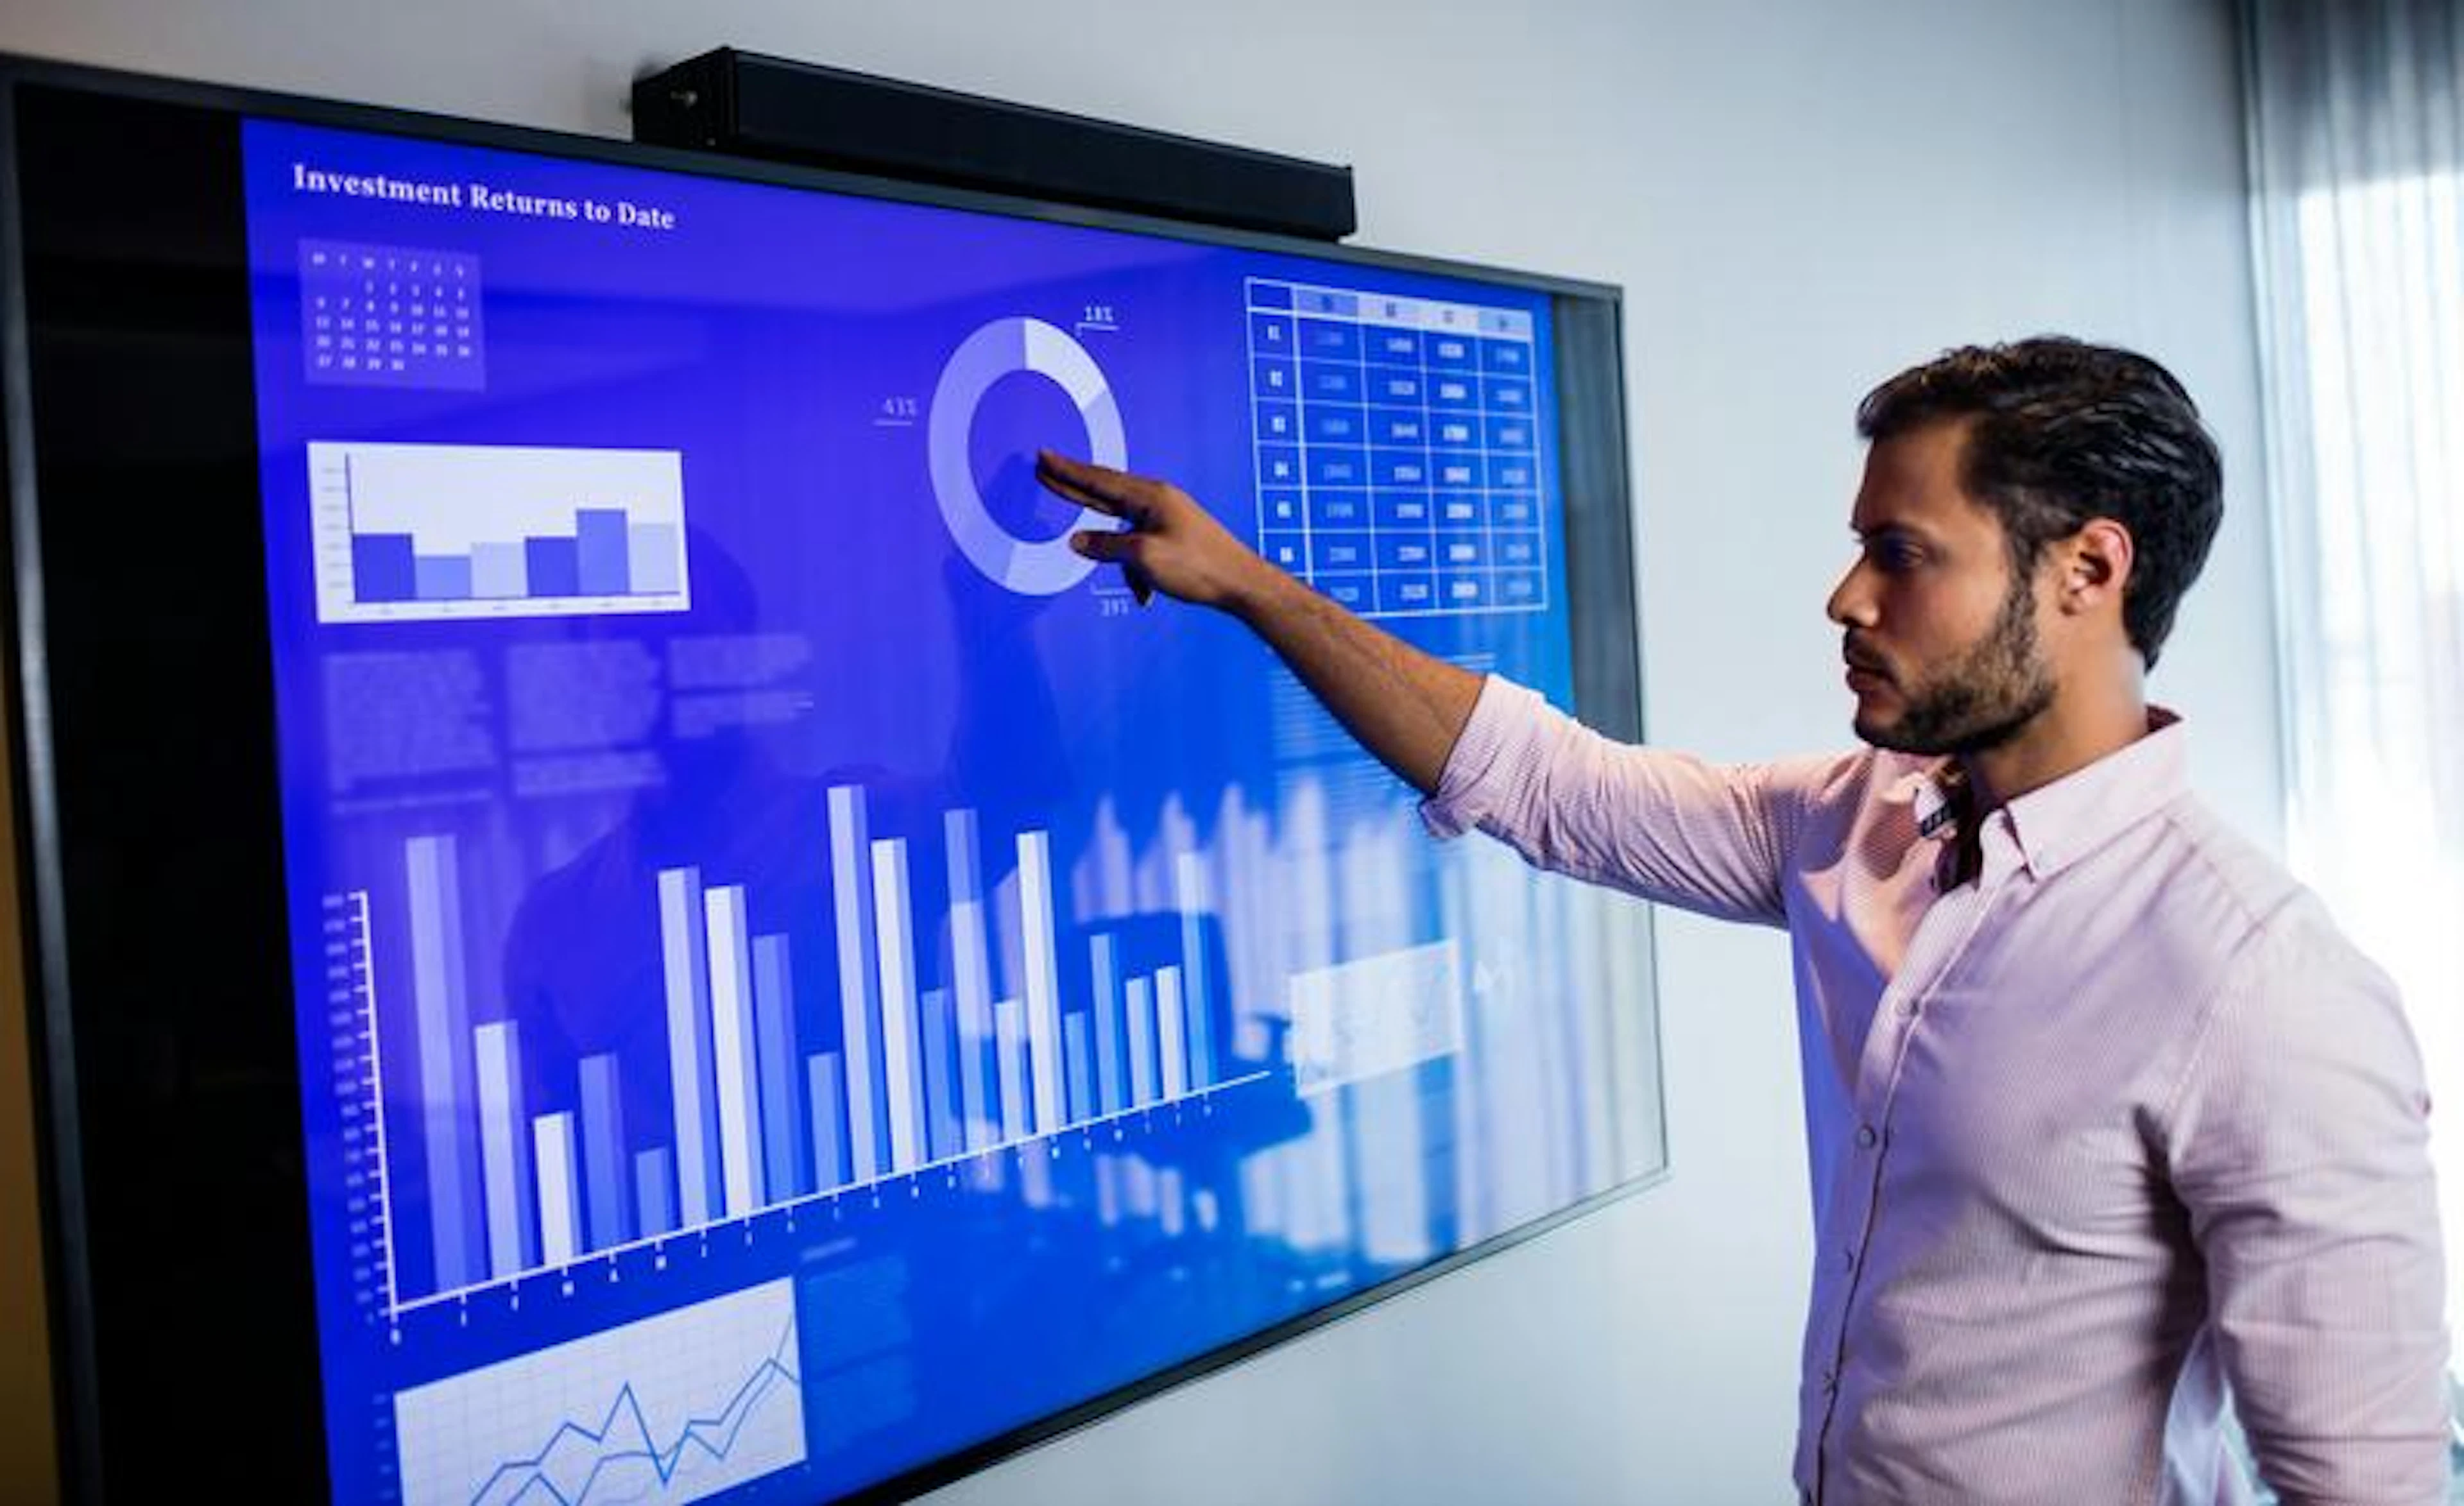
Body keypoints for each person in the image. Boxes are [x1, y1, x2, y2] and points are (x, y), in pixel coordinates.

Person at [1033, 336, 2452, 1504]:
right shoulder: (1856, 826)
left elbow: (2361, 1486)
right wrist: (1249, 587)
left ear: (2088, 571)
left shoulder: (2265, 990)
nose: (1847, 598)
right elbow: (1543, 780)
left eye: (1905, 553)